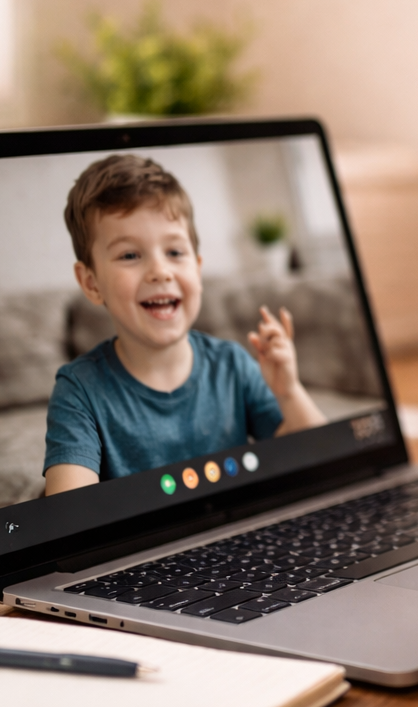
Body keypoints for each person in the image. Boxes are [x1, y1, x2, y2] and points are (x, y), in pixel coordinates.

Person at [43, 154, 325, 494]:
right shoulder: (79, 391)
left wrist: (289, 392)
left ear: (198, 267)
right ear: (91, 283)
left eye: (175, 252)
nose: (160, 271)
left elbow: (319, 458)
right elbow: (69, 514)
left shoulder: (232, 364)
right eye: (130, 255)